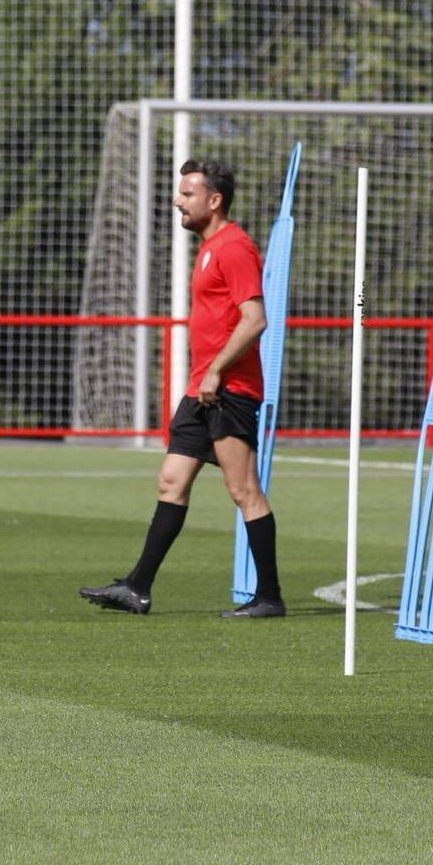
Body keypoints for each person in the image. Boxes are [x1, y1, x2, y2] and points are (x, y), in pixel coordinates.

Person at [81, 158, 286, 618]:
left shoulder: (234, 247)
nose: (177, 200)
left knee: (244, 490)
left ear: (214, 201)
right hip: (202, 391)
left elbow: (256, 321)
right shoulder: (209, 247)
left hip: (229, 389)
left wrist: (216, 371)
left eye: (187, 193)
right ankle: (137, 587)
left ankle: (270, 597)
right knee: (171, 481)